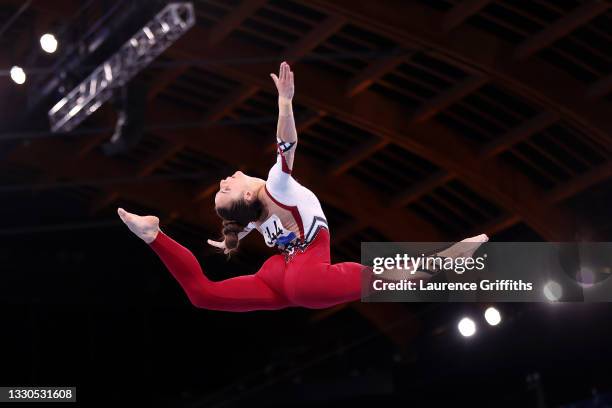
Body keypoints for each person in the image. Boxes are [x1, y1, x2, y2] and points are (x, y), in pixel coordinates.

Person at [117, 61, 488, 311]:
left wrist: (238, 232)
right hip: (307, 275)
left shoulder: (255, 213)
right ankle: (457, 254)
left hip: (280, 275)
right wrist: (285, 103)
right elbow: (286, 145)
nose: (224, 179)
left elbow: (248, 220)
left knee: (203, 295)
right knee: (403, 277)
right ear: (247, 194)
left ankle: (154, 236)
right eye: (226, 187)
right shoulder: (276, 186)